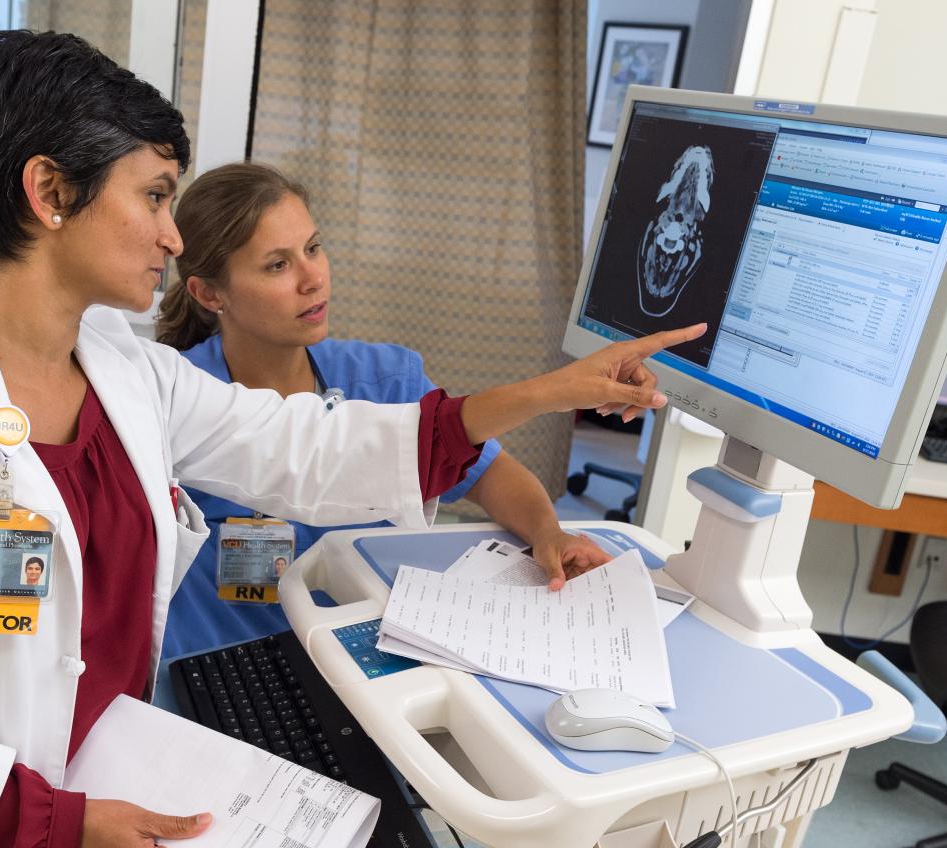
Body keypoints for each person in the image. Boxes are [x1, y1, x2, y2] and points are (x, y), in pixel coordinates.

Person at [0, 30, 703, 848]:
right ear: (49, 193)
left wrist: (543, 391)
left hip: (109, 801)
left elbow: (307, 448)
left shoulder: (129, 377)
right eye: (151, 197)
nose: (171, 233)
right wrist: (62, 824)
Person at [156, 163, 613, 660]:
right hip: (227, 666)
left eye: (313, 248)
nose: (314, 279)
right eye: (277, 265)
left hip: (367, 654)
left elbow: (488, 472)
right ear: (208, 292)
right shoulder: (172, 399)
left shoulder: (383, 377)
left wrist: (549, 534)